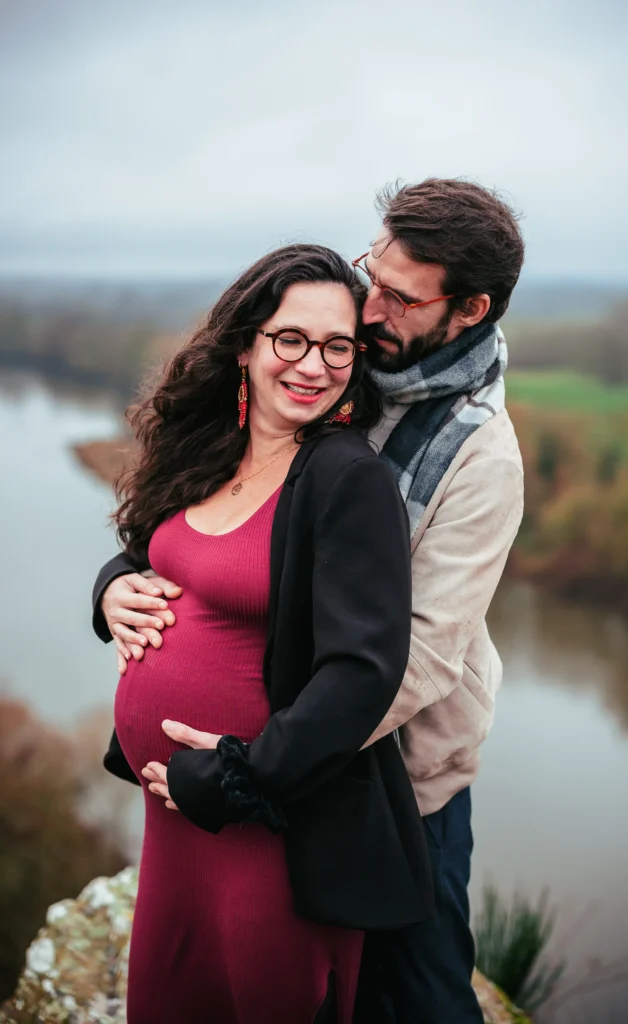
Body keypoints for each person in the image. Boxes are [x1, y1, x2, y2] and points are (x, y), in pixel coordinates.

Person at [96, 177, 525, 1024]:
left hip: (392, 779)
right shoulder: (338, 366)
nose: (368, 310)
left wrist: (260, 765)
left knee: (420, 996)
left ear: (467, 310)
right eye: (374, 272)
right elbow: (215, 523)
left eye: (400, 298)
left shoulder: (480, 457)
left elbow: (416, 658)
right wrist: (118, 583)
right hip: (236, 783)